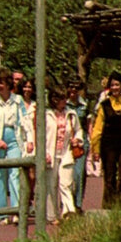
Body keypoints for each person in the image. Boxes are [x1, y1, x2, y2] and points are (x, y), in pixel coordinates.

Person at [0, 67, 34, 225]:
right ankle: (1, 213)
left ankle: (16, 210)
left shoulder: (18, 100)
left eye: (1, 83)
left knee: (15, 174)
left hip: (14, 139)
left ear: (8, 84)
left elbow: (25, 119)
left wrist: (30, 139)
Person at [90, 70, 121, 208]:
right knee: (110, 176)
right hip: (108, 144)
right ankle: (108, 205)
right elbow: (97, 128)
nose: (115, 87)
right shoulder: (104, 105)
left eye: (117, 84)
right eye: (112, 85)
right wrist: (95, 149)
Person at [45, 85, 84, 223]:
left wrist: (77, 139)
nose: (64, 101)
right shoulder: (46, 114)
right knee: (51, 184)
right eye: (61, 98)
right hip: (50, 153)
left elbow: (79, 130)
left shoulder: (71, 114)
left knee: (66, 183)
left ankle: (69, 212)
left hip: (66, 153)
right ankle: (52, 215)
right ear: (54, 99)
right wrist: (43, 152)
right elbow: (41, 136)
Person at [66, 77, 90, 213]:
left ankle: (77, 203)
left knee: (79, 174)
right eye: (70, 87)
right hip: (66, 142)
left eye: (76, 87)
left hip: (81, 142)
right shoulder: (64, 104)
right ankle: (67, 202)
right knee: (66, 174)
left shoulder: (84, 105)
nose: (73, 90)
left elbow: (88, 124)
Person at [19, 77, 37, 214]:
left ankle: (30, 198)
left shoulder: (36, 105)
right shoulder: (16, 103)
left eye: (30, 87)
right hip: (19, 141)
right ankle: (21, 202)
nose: (27, 90)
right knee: (19, 174)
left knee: (32, 175)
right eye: (25, 87)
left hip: (32, 141)